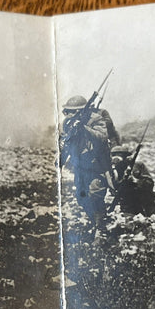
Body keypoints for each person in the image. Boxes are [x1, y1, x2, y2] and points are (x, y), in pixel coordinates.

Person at [60, 95, 112, 235]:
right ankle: (95, 222)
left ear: (80, 111)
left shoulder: (95, 119)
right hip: (80, 166)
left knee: (95, 194)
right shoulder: (68, 124)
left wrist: (84, 128)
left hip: (97, 166)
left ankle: (101, 229)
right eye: (67, 111)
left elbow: (102, 138)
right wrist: (61, 160)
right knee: (81, 197)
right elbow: (66, 144)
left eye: (72, 111)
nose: (68, 114)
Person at [110, 145, 155, 217]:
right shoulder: (114, 171)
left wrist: (135, 180)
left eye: (119, 155)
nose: (116, 157)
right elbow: (114, 188)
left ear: (126, 156)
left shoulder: (137, 165)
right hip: (129, 204)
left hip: (145, 201)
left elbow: (150, 183)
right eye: (114, 155)